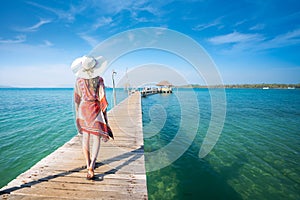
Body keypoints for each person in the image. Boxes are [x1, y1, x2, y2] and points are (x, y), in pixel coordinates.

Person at [71, 55, 114, 180]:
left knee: (85, 138)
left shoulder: (78, 80)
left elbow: (76, 100)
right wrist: (105, 117)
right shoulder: (99, 79)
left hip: (83, 110)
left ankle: (87, 162)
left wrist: (77, 115)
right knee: (96, 138)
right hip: (95, 110)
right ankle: (92, 165)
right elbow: (102, 98)